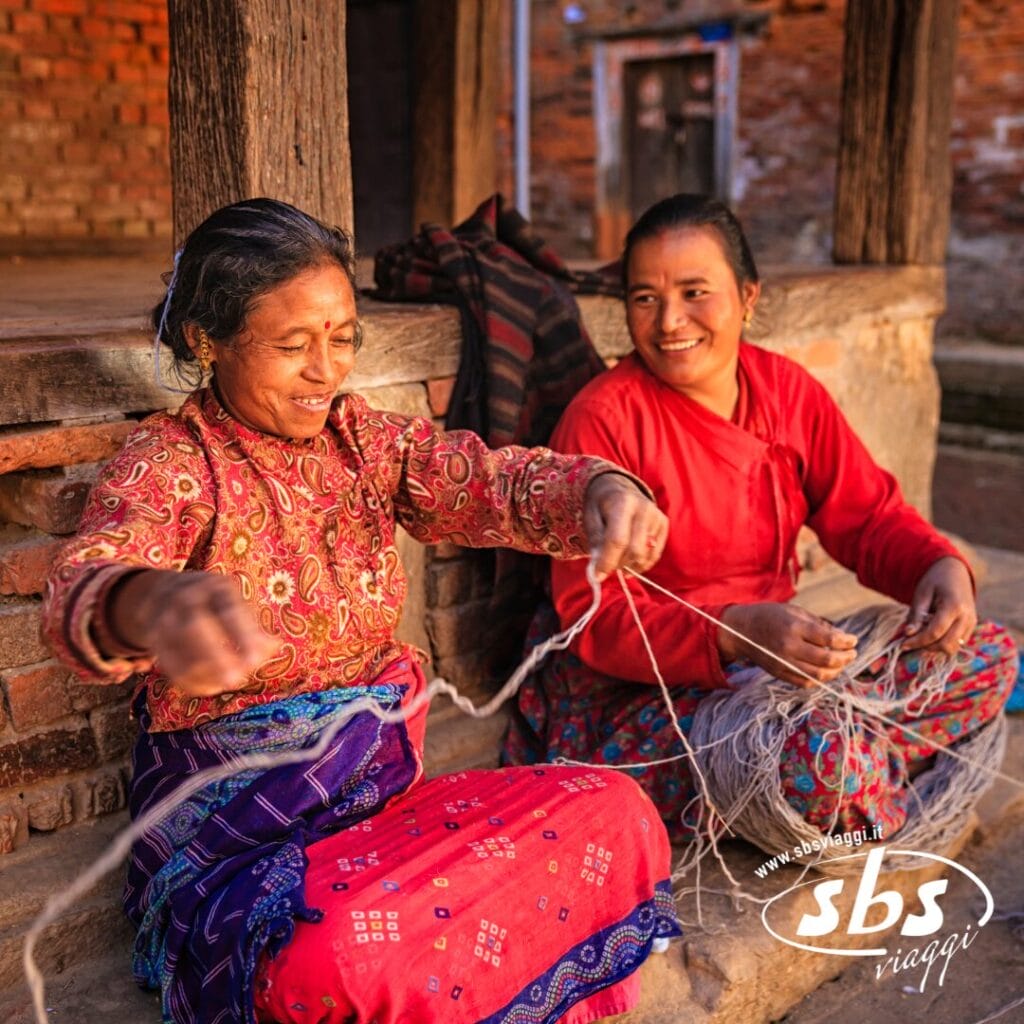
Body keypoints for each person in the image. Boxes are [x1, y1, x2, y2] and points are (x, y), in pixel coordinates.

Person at [41, 198, 682, 1024]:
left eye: (342, 339)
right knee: (342, 953)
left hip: (384, 824)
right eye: (292, 345)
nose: (325, 371)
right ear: (209, 341)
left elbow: (488, 480)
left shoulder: (365, 443)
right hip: (254, 862)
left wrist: (599, 488)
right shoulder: (172, 464)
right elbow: (85, 578)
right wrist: (148, 600)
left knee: (616, 814)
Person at [503, 193, 1019, 845]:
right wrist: (734, 633)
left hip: (778, 669)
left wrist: (936, 564)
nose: (669, 322)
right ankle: (854, 774)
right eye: (644, 298)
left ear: (748, 297)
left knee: (988, 655)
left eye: (695, 292)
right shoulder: (603, 419)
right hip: (646, 695)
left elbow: (866, 516)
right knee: (821, 763)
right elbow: (594, 617)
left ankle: (852, 775)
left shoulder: (788, 391)